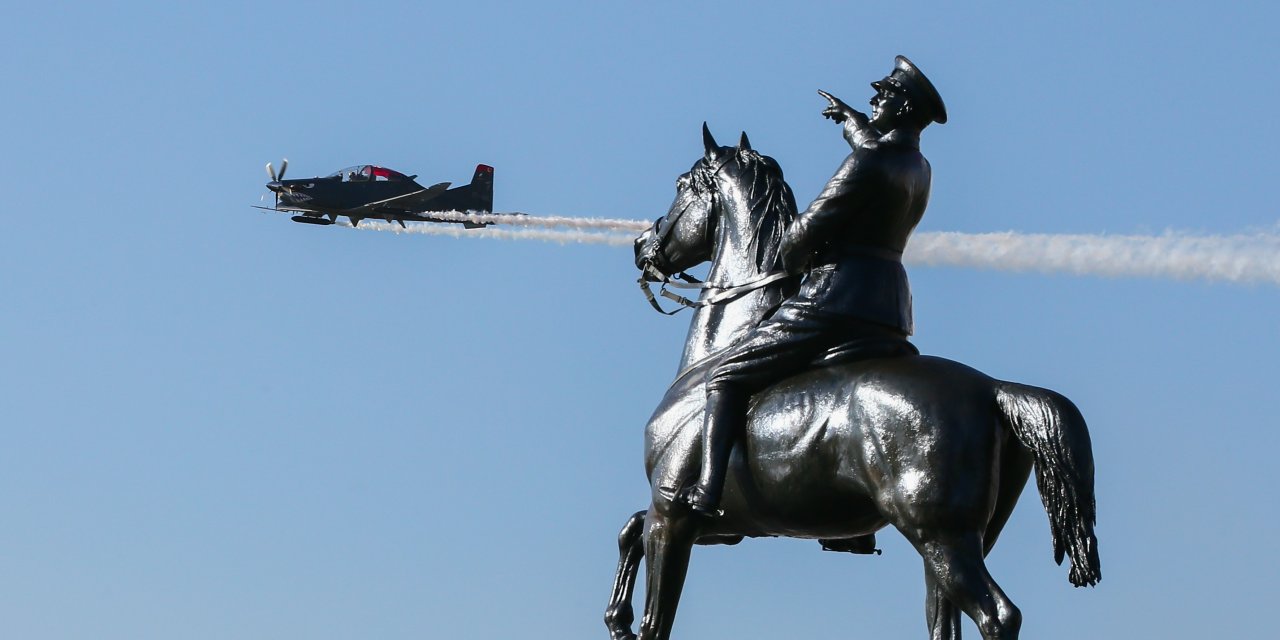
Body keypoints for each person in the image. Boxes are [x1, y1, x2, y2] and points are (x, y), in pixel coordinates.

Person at [683, 55, 948, 517]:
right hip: (888, 311)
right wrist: (854, 123)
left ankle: (707, 490)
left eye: (883, 95)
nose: (874, 98)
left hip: (833, 301)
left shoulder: (867, 161)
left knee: (725, 375)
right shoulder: (918, 166)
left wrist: (793, 259)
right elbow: (878, 159)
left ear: (903, 107)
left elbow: (801, 235)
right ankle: (854, 526)